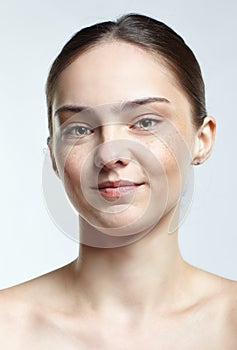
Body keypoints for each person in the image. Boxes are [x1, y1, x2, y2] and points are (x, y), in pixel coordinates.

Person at [0, 13, 236, 349]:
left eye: (145, 122)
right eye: (80, 129)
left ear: (203, 138)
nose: (109, 154)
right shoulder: (7, 329)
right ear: (53, 155)